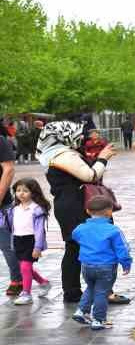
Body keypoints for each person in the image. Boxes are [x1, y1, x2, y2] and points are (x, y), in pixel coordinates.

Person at [37, 121, 127, 304]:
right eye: (77, 133)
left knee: (76, 247)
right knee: (88, 246)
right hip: (76, 206)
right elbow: (90, 175)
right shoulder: (63, 155)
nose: (81, 137)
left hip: (71, 204)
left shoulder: (57, 153)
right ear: (64, 135)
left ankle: (78, 292)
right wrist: (103, 158)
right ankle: (87, 292)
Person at [71, 195, 132, 330]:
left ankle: (81, 311)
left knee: (91, 287)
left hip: (87, 265)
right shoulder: (113, 230)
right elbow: (122, 248)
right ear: (109, 212)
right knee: (101, 293)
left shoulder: (81, 228)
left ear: (87, 211)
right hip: (106, 266)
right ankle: (98, 320)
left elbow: (74, 235)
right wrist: (126, 263)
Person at [7, 178, 52, 305]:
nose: (21, 193)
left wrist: (37, 247)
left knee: (25, 267)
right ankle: (43, 282)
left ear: (33, 192)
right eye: (18, 190)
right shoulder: (14, 209)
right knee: (25, 268)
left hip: (30, 241)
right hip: (17, 240)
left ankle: (26, 293)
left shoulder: (36, 209)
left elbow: (39, 231)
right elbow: (8, 224)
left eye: (25, 191)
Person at [0, 124, 21, 296]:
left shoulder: (0, 141)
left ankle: (18, 279)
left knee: (7, 244)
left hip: (2, 204)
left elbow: (8, 169)